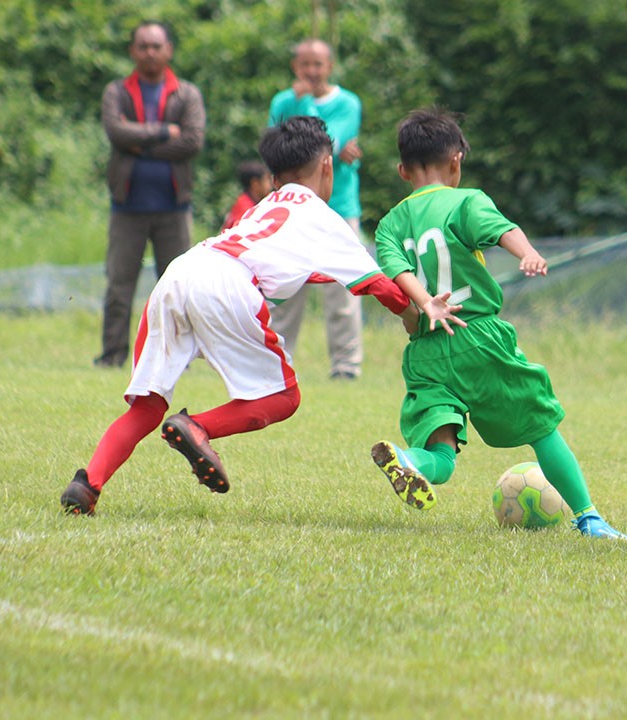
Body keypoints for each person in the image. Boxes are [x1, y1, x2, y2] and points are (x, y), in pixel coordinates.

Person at [60, 117, 460, 515]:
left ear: (272, 179)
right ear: (327, 166)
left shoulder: (263, 207)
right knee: (283, 397)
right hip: (227, 283)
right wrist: (416, 314)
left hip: (180, 272)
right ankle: (198, 427)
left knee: (147, 405)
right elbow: (377, 285)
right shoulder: (322, 217)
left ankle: (88, 485)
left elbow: (293, 266)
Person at [367, 108, 626, 540]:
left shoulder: (390, 223)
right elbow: (502, 229)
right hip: (477, 337)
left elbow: (395, 269)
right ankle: (589, 518)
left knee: (442, 455)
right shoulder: (467, 200)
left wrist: (427, 302)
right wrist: (526, 251)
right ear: (456, 161)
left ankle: (409, 460)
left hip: (425, 349)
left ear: (401, 170)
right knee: (542, 425)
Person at [96, 21, 206, 368]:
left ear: (169, 50)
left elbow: (192, 141)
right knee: (118, 287)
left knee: (176, 290)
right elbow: (115, 131)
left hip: (175, 207)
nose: (149, 52)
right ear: (132, 51)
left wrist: (139, 147)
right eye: (143, 46)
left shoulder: (186, 93)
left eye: (156, 46)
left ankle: (177, 359)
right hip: (127, 205)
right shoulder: (117, 91)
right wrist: (162, 132)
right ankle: (113, 355)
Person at [267, 39, 366, 380]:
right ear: (295, 67)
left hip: (339, 206)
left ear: (330, 66)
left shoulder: (348, 103)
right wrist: (300, 102)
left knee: (344, 289)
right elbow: (277, 147)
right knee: (284, 288)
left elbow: (322, 143)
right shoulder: (283, 101)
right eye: (305, 64)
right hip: (292, 207)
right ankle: (277, 362)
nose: (312, 71)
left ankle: (346, 367)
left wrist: (305, 103)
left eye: (318, 64)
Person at [221, 160, 273, 231]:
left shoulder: (246, 201)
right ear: (255, 184)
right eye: (267, 179)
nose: (270, 185)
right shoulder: (245, 209)